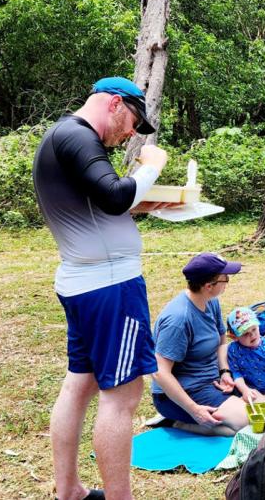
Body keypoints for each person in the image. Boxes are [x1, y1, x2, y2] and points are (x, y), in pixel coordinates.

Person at [33, 77, 175, 500]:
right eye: (132, 120)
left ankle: (69, 491)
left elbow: (98, 202)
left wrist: (145, 200)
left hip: (82, 281)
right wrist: (151, 165)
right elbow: (114, 197)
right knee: (122, 398)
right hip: (110, 288)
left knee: (79, 382)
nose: (131, 132)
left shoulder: (61, 138)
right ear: (114, 103)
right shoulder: (78, 137)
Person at [151, 253, 253, 436]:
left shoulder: (210, 301)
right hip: (182, 393)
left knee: (259, 409)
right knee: (246, 423)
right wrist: (194, 409)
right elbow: (159, 372)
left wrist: (224, 372)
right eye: (225, 278)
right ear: (208, 286)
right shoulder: (178, 320)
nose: (228, 281)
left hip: (210, 381)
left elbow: (221, 340)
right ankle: (178, 423)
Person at [225, 308, 265, 400]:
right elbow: (236, 373)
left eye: (254, 329)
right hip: (253, 390)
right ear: (234, 337)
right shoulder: (233, 350)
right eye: (245, 333)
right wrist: (244, 390)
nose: (252, 335)